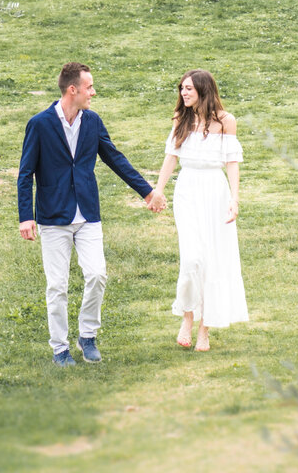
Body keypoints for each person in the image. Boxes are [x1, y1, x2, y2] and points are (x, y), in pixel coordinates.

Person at [18, 61, 165, 366]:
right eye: (89, 87)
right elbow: (25, 173)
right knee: (56, 286)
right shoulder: (40, 124)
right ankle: (60, 347)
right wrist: (26, 216)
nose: (93, 92)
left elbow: (115, 158)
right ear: (73, 90)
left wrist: (147, 192)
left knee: (97, 274)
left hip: (87, 214)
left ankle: (87, 335)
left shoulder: (93, 122)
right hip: (52, 217)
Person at [150, 68, 248, 351]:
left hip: (215, 192)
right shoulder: (182, 118)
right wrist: (158, 190)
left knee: (212, 260)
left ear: (204, 90)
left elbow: (232, 162)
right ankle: (187, 315)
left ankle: (204, 328)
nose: (184, 93)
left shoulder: (226, 121)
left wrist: (234, 198)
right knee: (192, 259)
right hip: (188, 191)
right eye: (182, 88)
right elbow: (171, 157)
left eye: (189, 88)